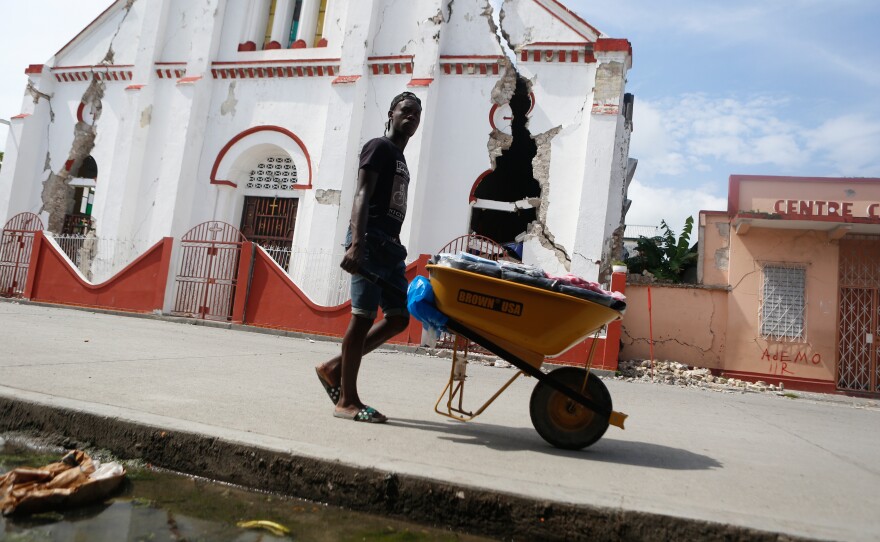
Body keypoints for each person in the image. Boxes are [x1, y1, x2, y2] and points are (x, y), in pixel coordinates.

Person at [315, 91, 423, 423]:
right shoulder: (379, 147)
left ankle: (333, 368)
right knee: (362, 317)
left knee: (398, 318)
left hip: (389, 246)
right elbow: (362, 193)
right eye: (406, 111)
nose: (412, 117)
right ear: (391, 113)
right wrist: (356, 244)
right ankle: (347, 401)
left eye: (417, 114)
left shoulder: (401, 159)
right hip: (370, 242)